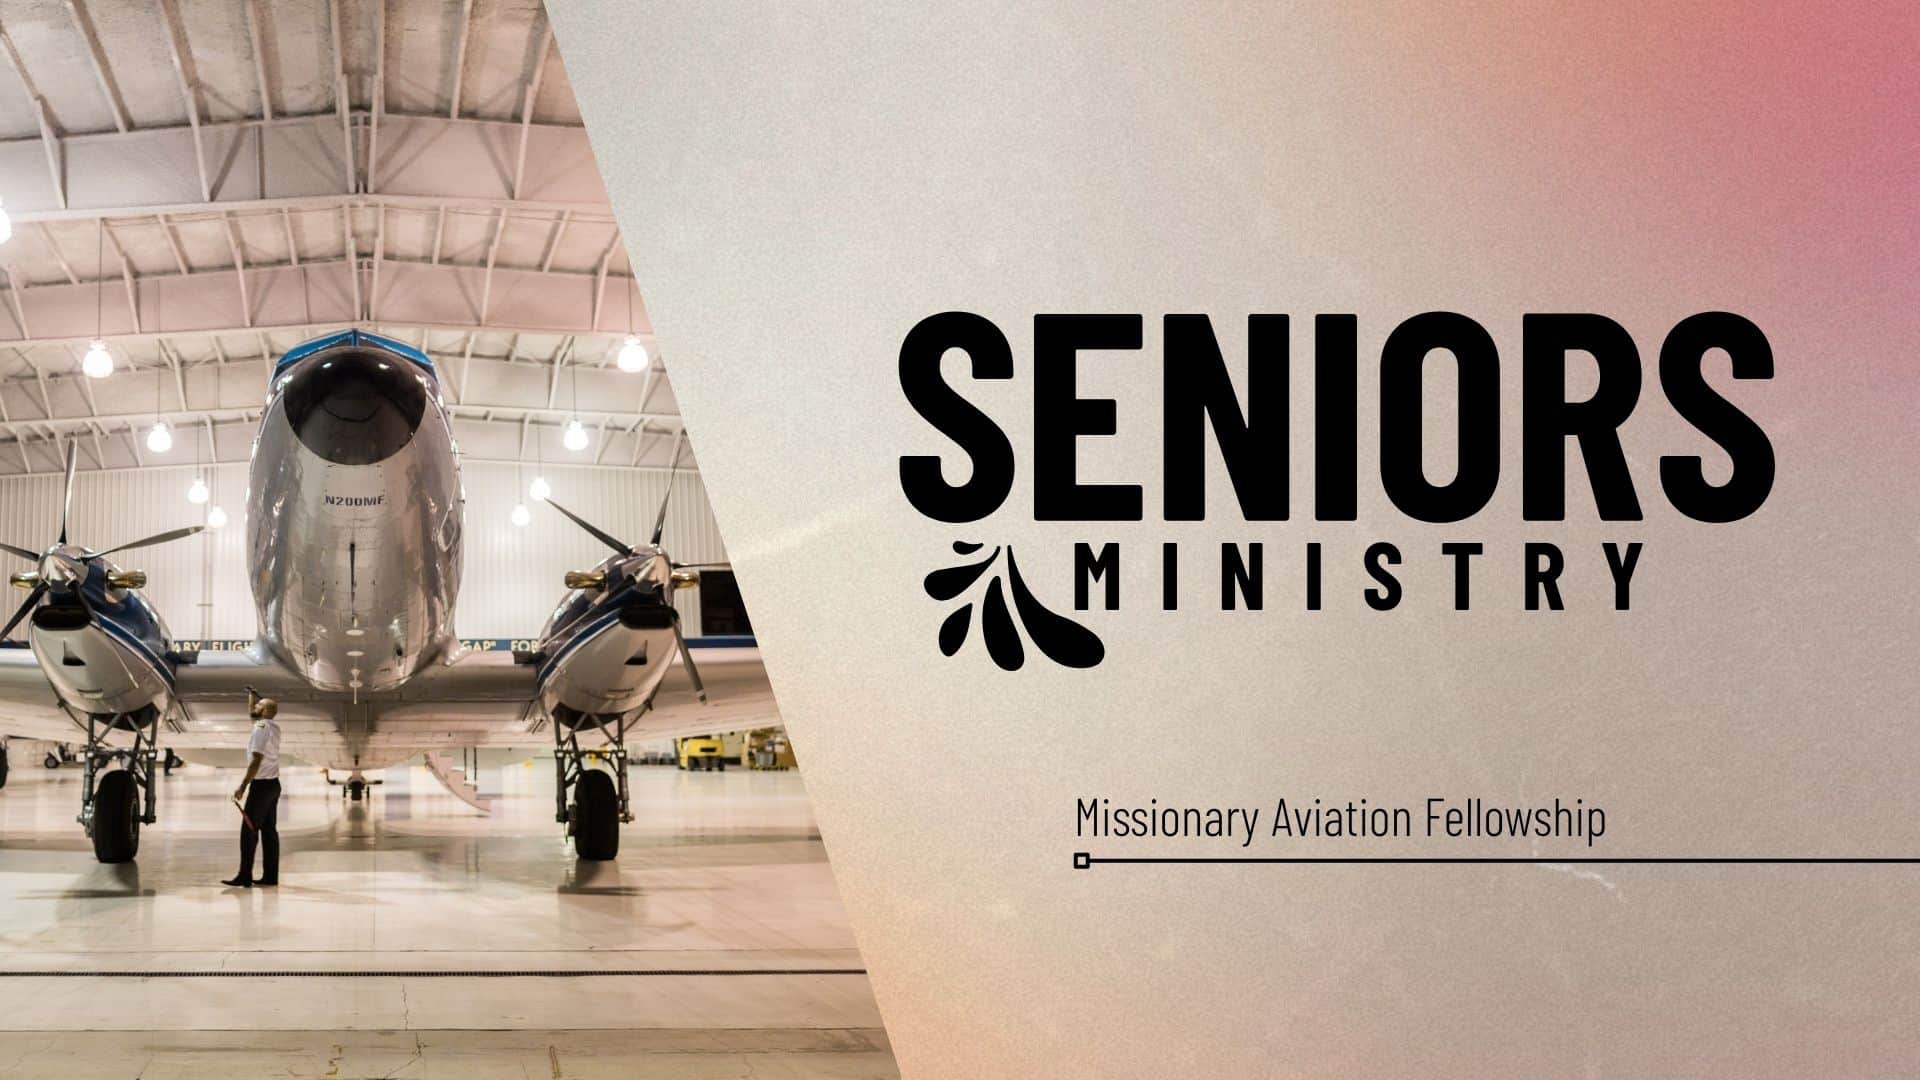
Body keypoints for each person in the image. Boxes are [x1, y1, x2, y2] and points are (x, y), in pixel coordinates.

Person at [222, 691, 282, 888]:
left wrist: (242, 786)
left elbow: (256, 759)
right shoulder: (273, 726)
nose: (254, 708)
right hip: (273, 785)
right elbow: (254, 716)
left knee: (248, 831)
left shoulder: (260, 728)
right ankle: (270, 876)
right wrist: (252, 697)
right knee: (269, 831)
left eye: (258, 706)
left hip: (261, 786)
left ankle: (244, 876)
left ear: (264, 711)